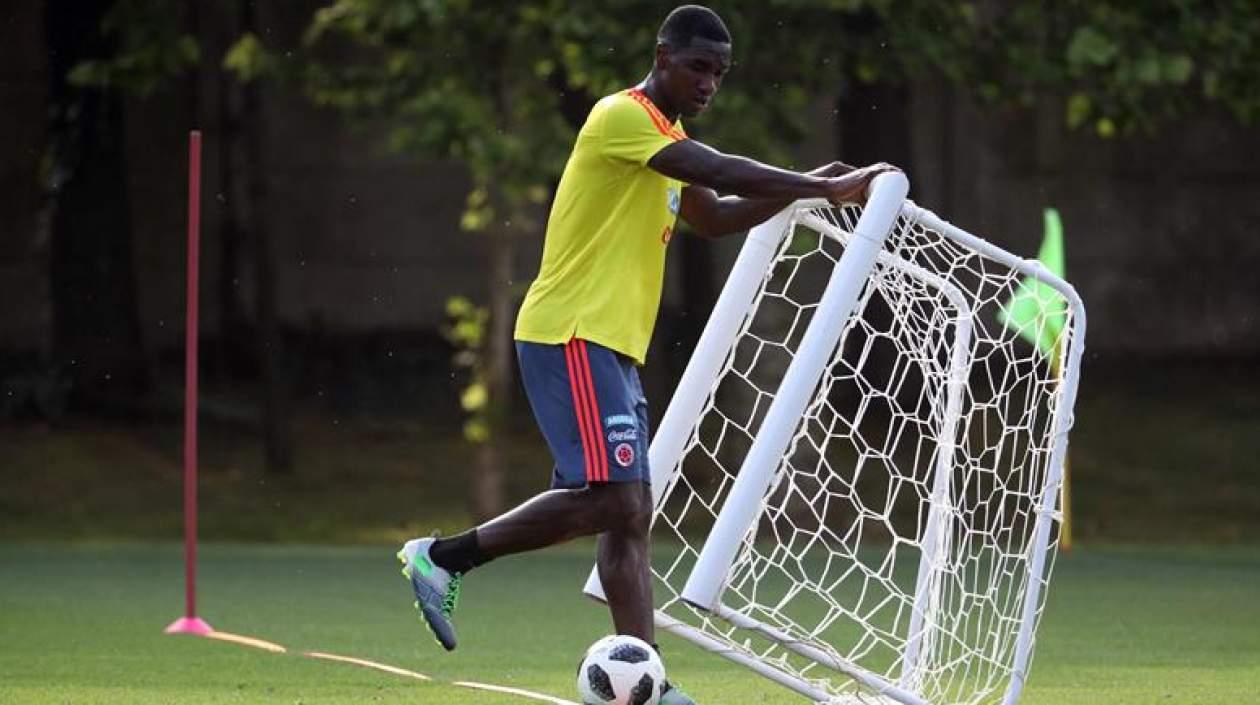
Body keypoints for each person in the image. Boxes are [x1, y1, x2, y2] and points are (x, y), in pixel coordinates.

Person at [398, 5, 897, 703]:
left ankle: (651, 684)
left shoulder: (669, 136)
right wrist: (819, 185)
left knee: (630, 514)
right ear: (662, 58)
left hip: (613, 348)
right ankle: (443, 557)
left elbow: (713, 214)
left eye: (719, 73)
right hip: (572, 331)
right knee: (616, 498)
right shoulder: (622, 117)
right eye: (698, 67)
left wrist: (805, 188)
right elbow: (713, 167)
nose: (708, 83)